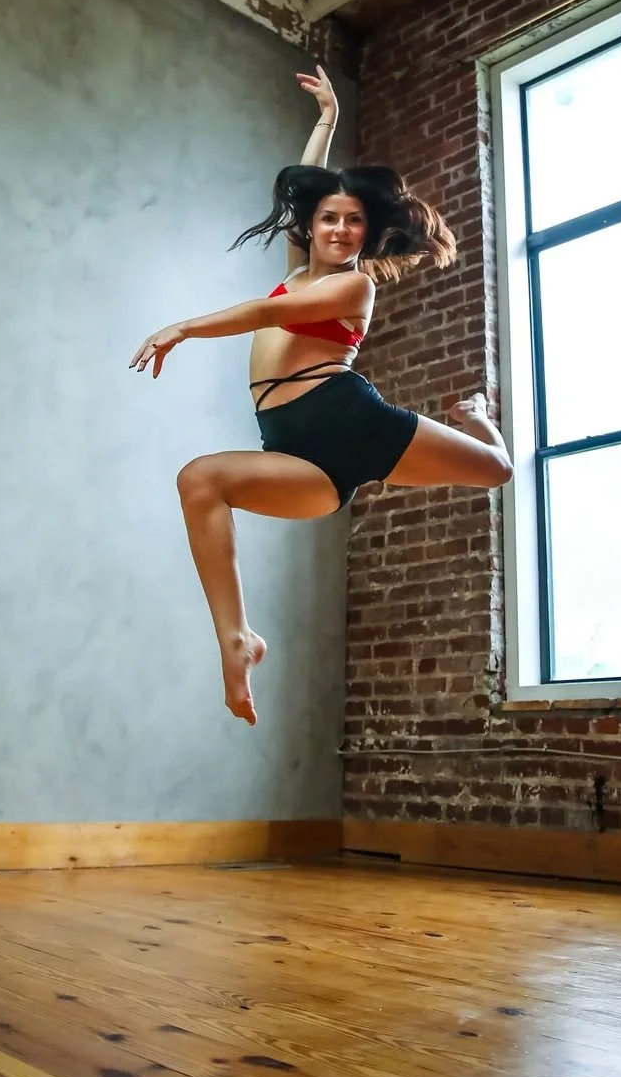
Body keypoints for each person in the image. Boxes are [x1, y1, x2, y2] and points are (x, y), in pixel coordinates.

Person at [130, 64, 512, 726]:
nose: (338, 228)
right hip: (301, 459)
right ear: (313, 224)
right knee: (200, 481)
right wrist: (327, 121)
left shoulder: (353, 288)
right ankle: (237, 639)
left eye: (353, 222)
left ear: (367, 234)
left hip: (347, 421)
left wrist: (185, 326)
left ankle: (479, 417)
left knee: (497, 471)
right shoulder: (299, 272)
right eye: (328, 218)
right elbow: (307, 192)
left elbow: (261, 315)